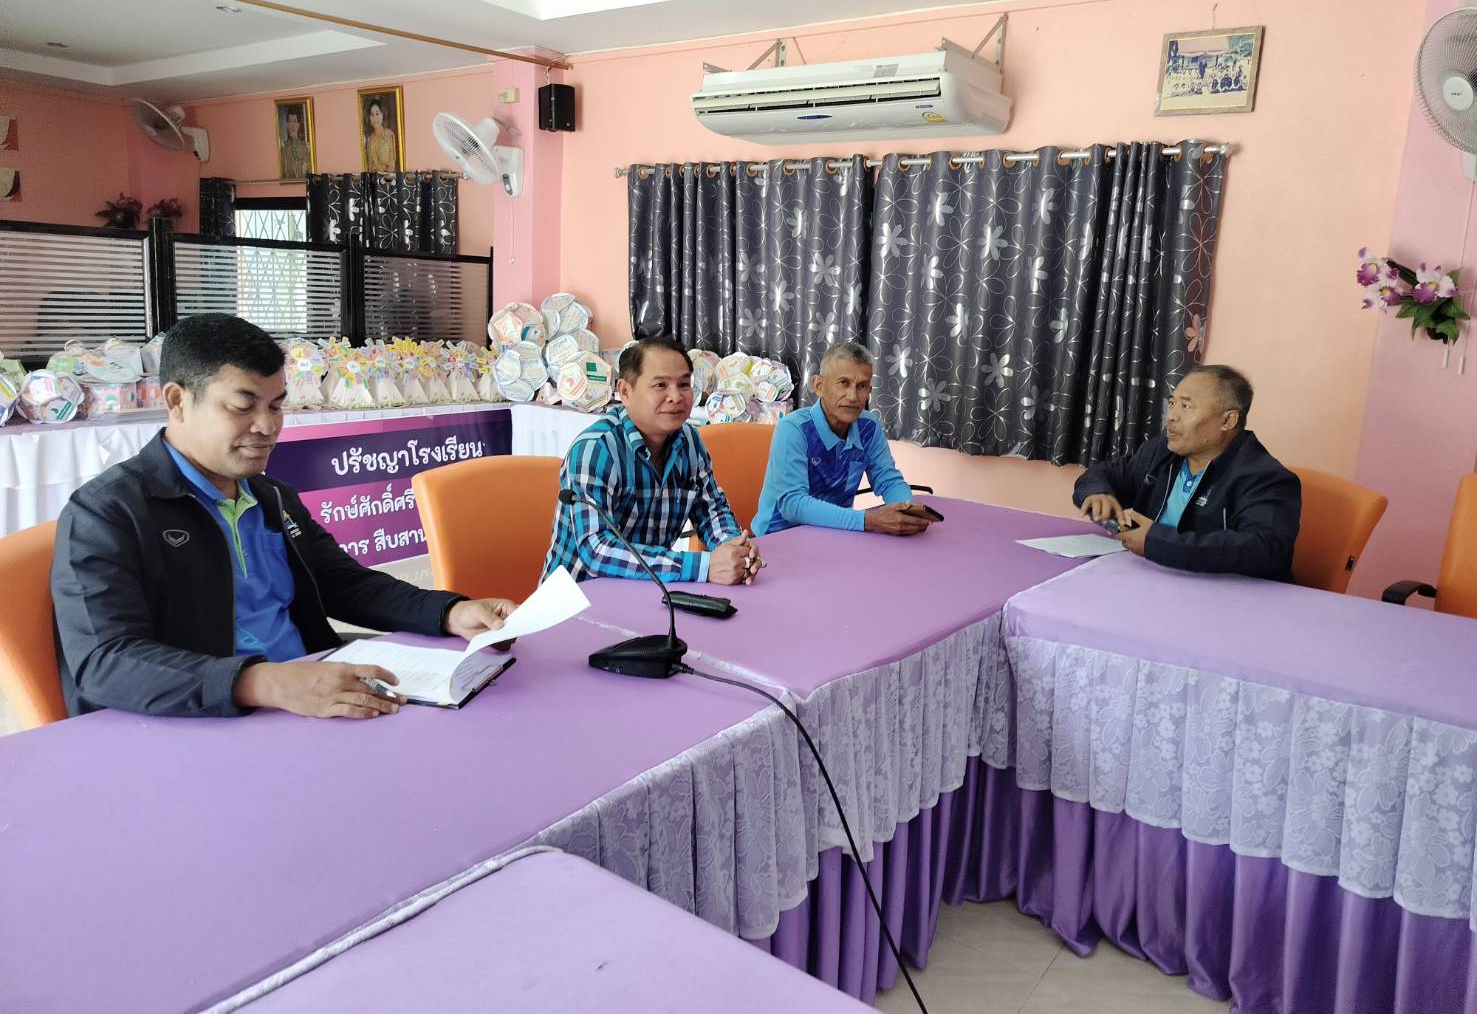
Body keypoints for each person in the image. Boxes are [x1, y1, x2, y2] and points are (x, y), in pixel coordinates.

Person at [51, 313, 518, 719]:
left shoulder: (271, 496)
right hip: (204, 717)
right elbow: (105, 662)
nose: (268, 426)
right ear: (177, 401)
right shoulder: (107, 513)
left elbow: (344, 584)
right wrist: (265, 683)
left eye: (276, 405)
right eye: (243, 406)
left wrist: (449, 611)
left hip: (307, 695)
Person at [542, 336, 763, 586]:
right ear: (625, 392)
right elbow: (597, 549)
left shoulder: (690, 441)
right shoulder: (596, 448)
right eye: (660, 385)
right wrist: (703, 566)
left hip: (651, 589)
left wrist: (733, 549)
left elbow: (712, 511)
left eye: (684, 384)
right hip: (578, 596)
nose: (676, 396)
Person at [1073, 364, 1300, 581]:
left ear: (1228, 420)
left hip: (1230, 596)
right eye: (1172, 403)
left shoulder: (1264, 477)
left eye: (1186, 406)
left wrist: (1156, 542)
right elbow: (1102, 474)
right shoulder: (1160, 451)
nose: (1171, 416)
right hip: (1152, 579)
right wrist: (1097, 493)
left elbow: (1262, 548)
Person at [752, 341, 935, 537]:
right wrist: (868, 521)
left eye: (862, 386)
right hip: (779, 536)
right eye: (844, 383)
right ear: (819, 386)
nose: (853, 396)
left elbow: (889, 481)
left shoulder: (869, 427)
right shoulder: (794, 429)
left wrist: (906, 512)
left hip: (837, 535)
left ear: (869, 391)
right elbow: (793, 505)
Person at [363, 97, 398, 172]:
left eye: (377, 114)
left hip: (388, 178)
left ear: (382, 115)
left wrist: (380, 168)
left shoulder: (389, 135)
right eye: (372, 115)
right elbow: (370, 167)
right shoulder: (369, 140)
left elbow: (391, 165)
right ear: (369, 117)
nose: (375, 118)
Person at [279, 108, 311, 180]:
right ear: (287, 124)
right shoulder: (283, 148)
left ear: (298, 124)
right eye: (290, 121)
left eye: (294, 121)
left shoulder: (306, 147)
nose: (292, 125)